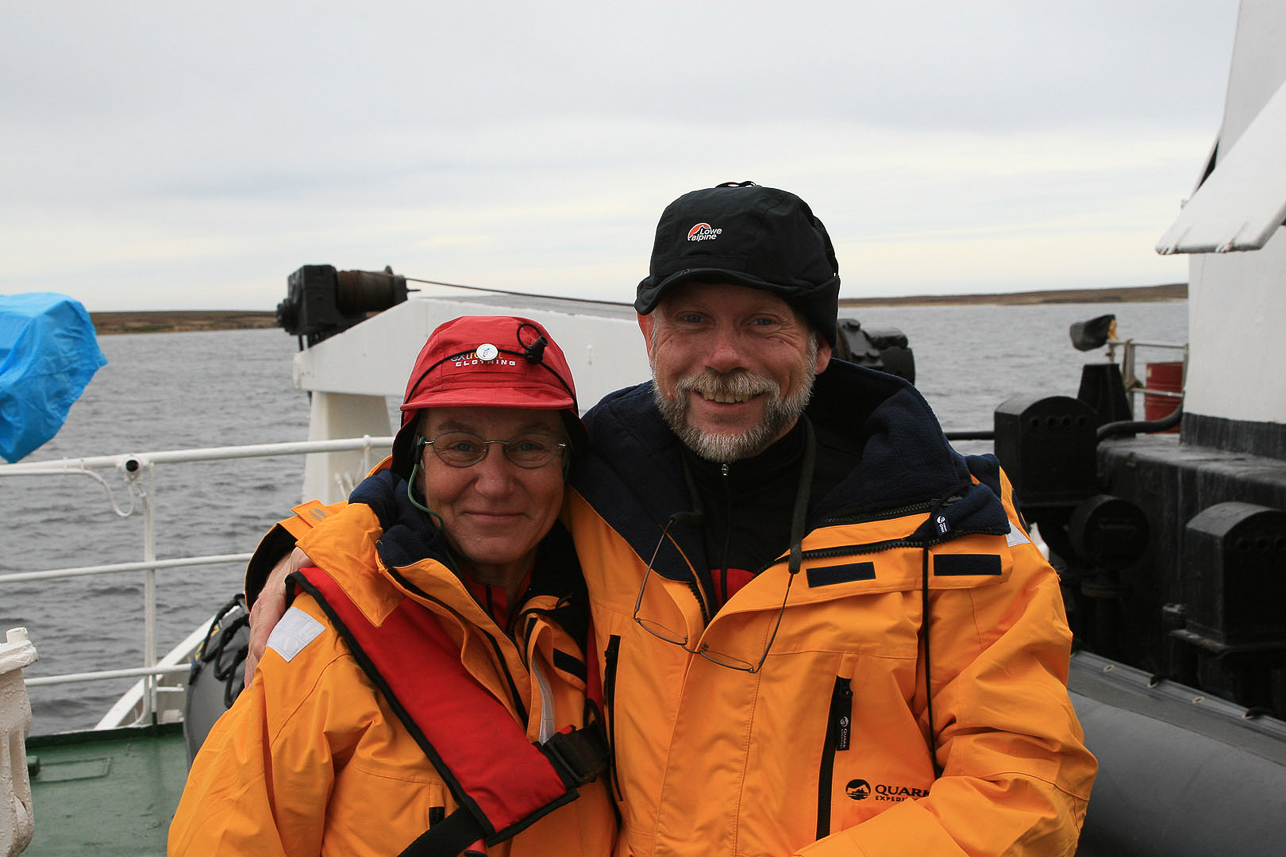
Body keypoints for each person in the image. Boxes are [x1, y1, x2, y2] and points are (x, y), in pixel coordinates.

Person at [246, 182, 1097, 856]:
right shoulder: (598, 475)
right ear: (650, 332)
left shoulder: (958, 539)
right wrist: (296, 553)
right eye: (693, 320)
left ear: (822, 345)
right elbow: (436, 489)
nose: (722, 357)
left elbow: (1024, 785)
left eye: (763, 322)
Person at [170, 316, 616, 857]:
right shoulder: (323, 645)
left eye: (529, 447)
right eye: (459, 446)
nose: (495, 483)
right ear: (416, 466)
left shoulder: (618, 616)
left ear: (568, 464)